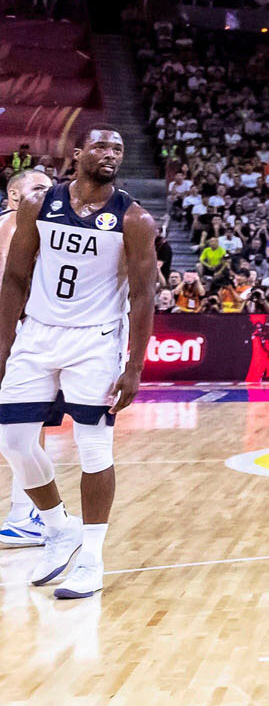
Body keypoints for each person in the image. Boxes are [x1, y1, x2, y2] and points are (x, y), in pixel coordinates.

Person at [0, 129, 160, 598]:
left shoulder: (134, 218)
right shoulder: (39, 205)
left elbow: (144, 292)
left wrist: (134, 366)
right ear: (77, 154)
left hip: (96, 342)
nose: (110, 155)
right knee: (14, 442)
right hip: (38, 335)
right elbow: (14, 278)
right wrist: (4, 345)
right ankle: (57, 526)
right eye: (101, 147)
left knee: (94, 449)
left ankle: (91, 556)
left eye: (118, 150)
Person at [0, 165, 51, 546]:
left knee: (26, 426)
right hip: (14, 335)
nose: (48, 195)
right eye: (38, 188)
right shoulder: (14, 226)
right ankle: (25, 513)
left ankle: (25, 513)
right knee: (24, 427)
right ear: (15, 196)